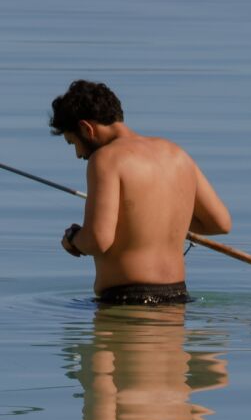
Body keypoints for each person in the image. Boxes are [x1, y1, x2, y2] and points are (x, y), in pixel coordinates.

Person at [49, 80, 231, 306]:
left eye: (72, 142)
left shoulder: (106, 159)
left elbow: (98, 240)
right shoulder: (176, 154)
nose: (78, 154)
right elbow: (220, 223)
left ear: (87, 128)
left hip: (126, 302)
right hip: (177, 300)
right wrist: (154, 222)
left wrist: (73, 239)